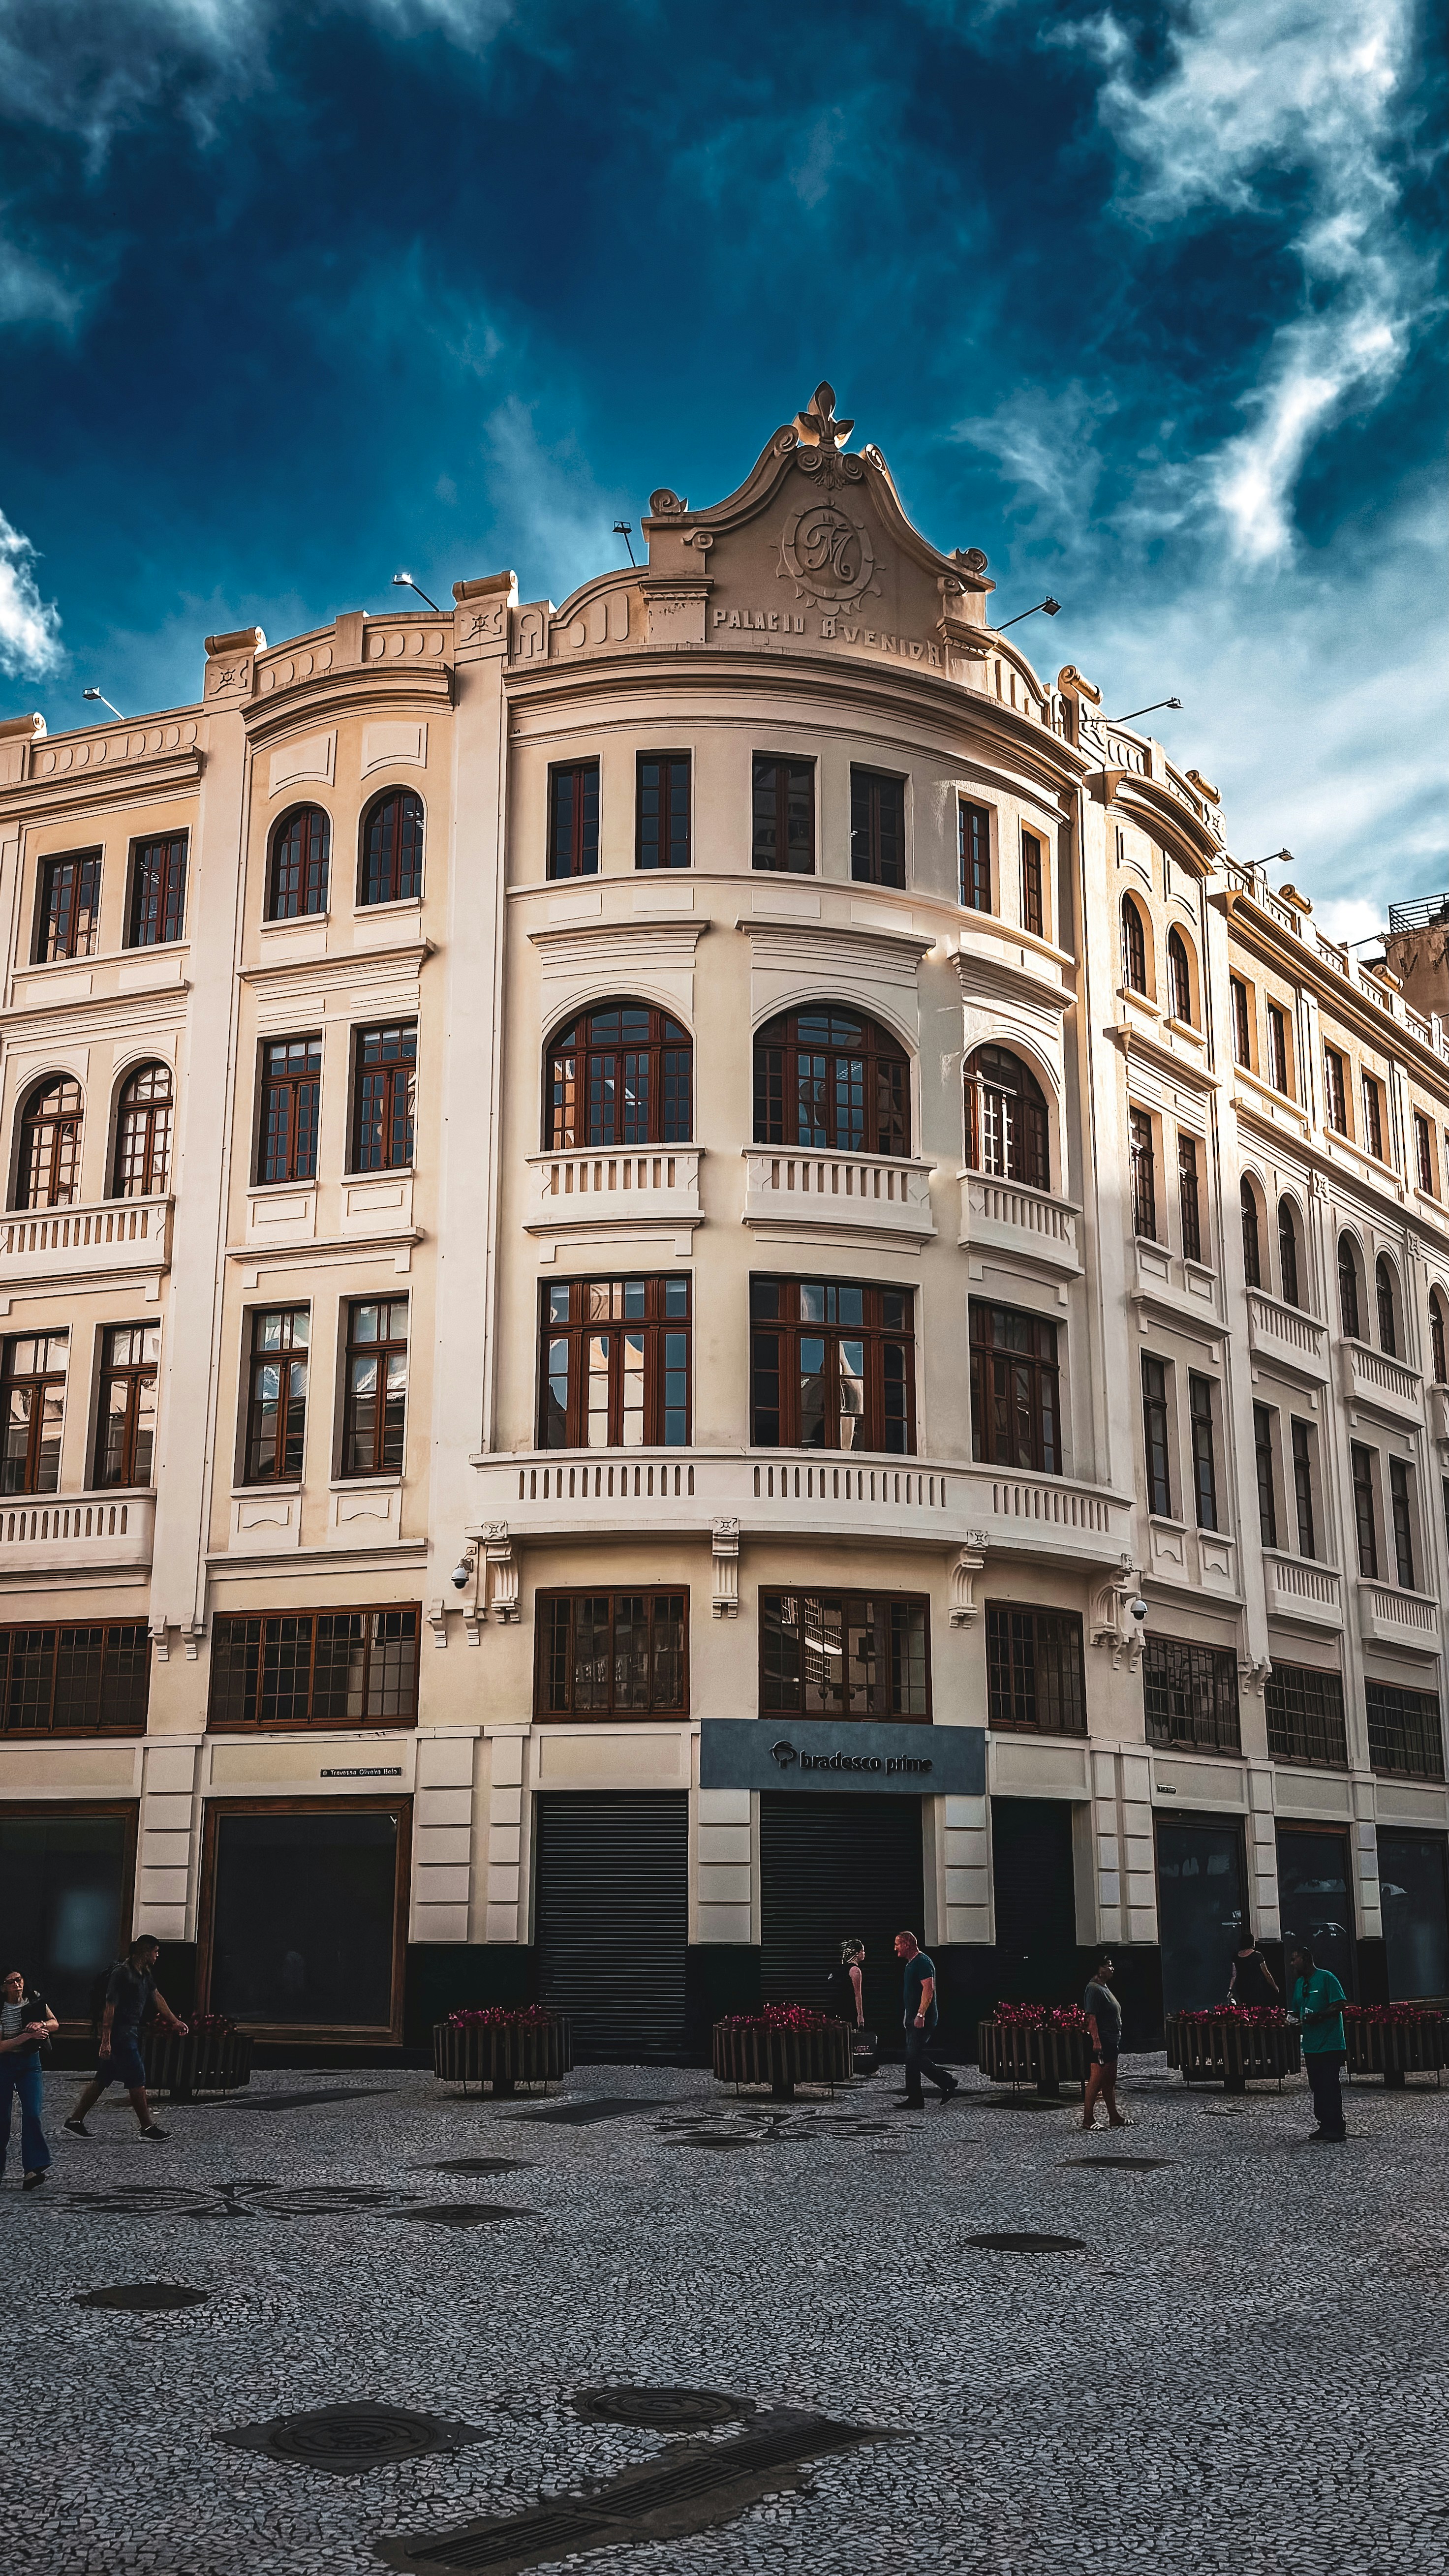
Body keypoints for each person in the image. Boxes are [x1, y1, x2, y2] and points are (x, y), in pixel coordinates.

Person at [64, 1936, 188, 2144]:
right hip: (120, 2034)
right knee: (137, 2079)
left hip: (131, 2031)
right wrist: (106, 2041)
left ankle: (75, 2121)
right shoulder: (122, 1973)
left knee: (103, 2078)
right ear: (145, 1952)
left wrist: (174, 2022)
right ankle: (147, 2127)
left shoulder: (145, 1973)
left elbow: (157, 1997)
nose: (158, 1956)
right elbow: (109, 2007)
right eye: (155, 1952)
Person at [0, 1967, 58, 2190]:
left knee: (32, 2113)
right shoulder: (2, 2009)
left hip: (30, 2064)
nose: (17, 1985)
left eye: (19, 1980)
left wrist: (42, 2026)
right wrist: (26, 2036)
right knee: (2, 2120)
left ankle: (33, 2169)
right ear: (3, 1987)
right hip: (5, 2064)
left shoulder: (33, 2000)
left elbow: (54, 2022)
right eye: (11, 1982)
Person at [892, 1930, 958, 2111]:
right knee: (912, 2058)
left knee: (913, 2056)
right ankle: (915, 2098)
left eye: (897, 1944)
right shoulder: (911, 1964)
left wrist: (921, 2014)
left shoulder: (922, 1962)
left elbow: (928, 1989)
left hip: (923, 2019)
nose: (895, 1948)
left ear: (907, 1944)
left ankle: (947, 2082)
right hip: (913, 2019)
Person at [1289, 1941, 1347, 2144]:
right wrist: (1293, 2022)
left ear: (1305, 1959)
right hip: (1312, 2045)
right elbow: (1297, 2010)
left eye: (1294, 1959)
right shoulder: (1300, 1984)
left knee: (1329, 2084)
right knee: (1317, 2085)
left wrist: (1320, 2016)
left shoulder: (1326, 1978)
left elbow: (1339, 2004)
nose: (1292, 1964)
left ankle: (1337, 2127)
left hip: (1330, 2043)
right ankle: (1324, 2125)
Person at [1082, 1952, 1129, 2131]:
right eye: (1108, 1965)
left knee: (1110, 2080)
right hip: (1103, 2040)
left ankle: (1114, 2116)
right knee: (1097, 2080)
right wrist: (1097, 2042)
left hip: (1111, 2040)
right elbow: (1091, 2018)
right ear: (1100, 1970)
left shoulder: (1104, 1987)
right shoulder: (1093, 1989)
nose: (1112, 1968)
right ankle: (1088, 2119)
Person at [1228, 1933, 1279, 2009]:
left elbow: (1234, 1975)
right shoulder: (1258, 1956)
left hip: (1242, 1989)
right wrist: (1275, 1987)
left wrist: (1230, 1989)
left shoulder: (1236, 1957)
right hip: (1256, 1989)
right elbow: (1267, 1974)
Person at [826, 1939, 866, 2031]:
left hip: (838, 2010)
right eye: (862, 1951)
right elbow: (858, 1995)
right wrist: (860, 2016)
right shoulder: (855, 1971)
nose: (864, 1953)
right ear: (857, 1954)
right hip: (850, 2010)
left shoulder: (839, 1970)